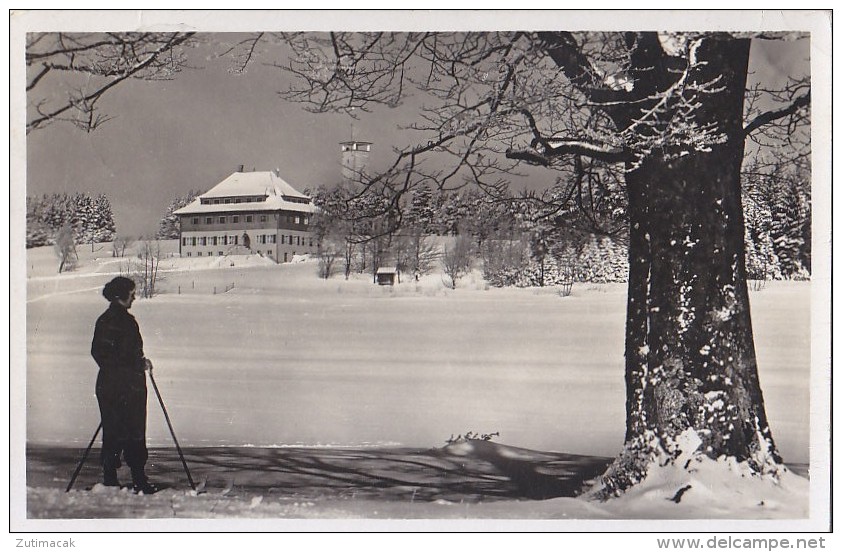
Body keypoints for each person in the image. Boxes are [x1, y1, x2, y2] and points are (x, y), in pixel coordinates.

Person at [90, 276, 158, 494]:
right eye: (131, 293)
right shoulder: (115, 321)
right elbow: (102, 353)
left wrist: (138, 363)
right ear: (120, 296)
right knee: (126, 431)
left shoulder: (114, 319)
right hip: (120, 386)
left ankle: (122, 478)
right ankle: (127, 479)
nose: (134, 297)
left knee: (122, 430)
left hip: (121, 385)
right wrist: (136, 363)